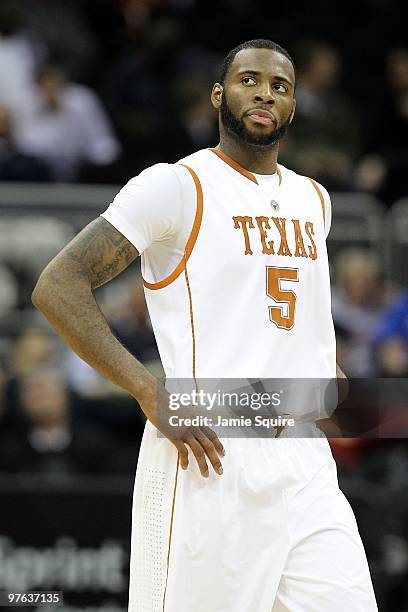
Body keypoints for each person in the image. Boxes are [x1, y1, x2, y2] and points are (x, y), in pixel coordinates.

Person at [32, 39, 377, 611]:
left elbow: (283, 307)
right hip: (209, 453)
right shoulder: (176, 185)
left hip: (303, 458)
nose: (265, 91)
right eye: (249, 79)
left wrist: (323, 369)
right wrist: (147, 390)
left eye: (280, 86)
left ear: (293, 108)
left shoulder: (316, 199)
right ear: (219, 94)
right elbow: (57, 284)